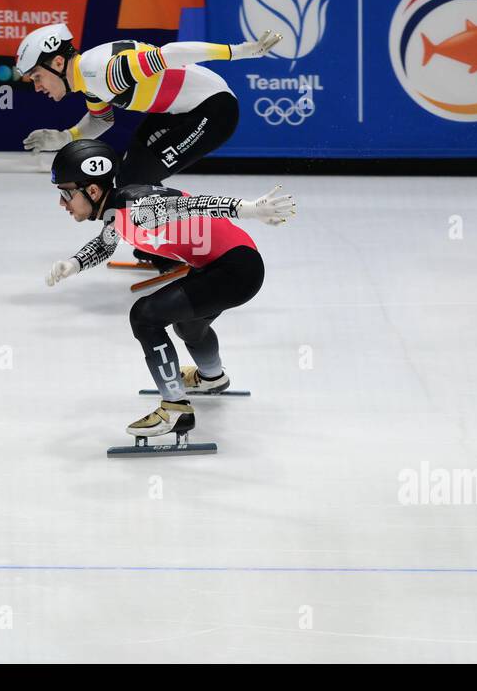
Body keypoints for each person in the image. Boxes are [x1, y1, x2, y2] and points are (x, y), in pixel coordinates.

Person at [44, 138, 296, 442]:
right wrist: (74, 264)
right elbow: (106, 242)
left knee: (145, 315)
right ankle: (212, 377)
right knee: (188, 326)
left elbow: (191, 204)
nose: (62, 203)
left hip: (235, 268)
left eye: (66, 194)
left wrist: (248, 209)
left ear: (93, 191)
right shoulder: (118, 210)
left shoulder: (138, 208)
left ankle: (176, 409)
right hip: (225, 265)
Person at [15, 23, 284, 269]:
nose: (37, 87)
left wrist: (239, 52)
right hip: (179, 109)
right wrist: (63, 137)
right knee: (128, 177)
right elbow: (102, 120)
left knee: (137, 177)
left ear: (58, 62)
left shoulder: (104, 73)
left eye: (37, 77)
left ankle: (182, 248)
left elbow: (171, 54)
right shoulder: (89, 78)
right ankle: (158, 246)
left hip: (213, 111)